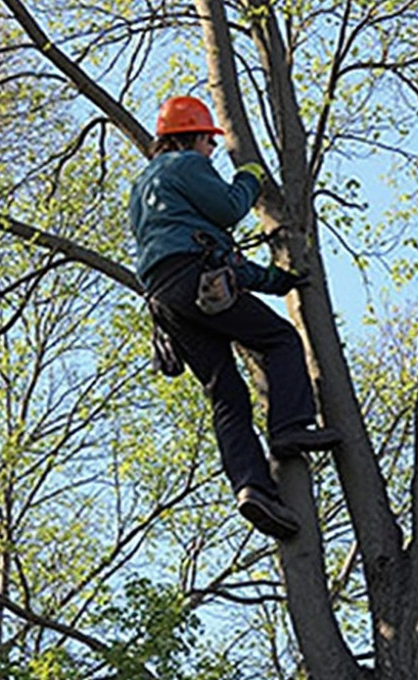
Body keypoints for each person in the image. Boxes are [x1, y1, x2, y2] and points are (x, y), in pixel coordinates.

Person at [128, 95, 341, 540]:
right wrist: (248, 178)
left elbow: (211, 253)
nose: (211, 151)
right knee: (280, 339)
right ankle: (289, 428)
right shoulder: (185, 164)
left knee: (225, 393)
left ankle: (252, 488)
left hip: (167, 300)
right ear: (193, 137)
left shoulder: (143, 188)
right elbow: (227, 209)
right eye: (209, 142)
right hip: (196, 281)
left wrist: (274, 281)